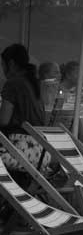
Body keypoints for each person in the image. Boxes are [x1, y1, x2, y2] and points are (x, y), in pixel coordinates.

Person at [0, 43, 45, 183]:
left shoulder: (13, 83)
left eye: (2, 65)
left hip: (20, 151)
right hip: (41, 153)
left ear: (11, 64)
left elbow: (3, 121)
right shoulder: (34, 83)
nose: (2, 70)